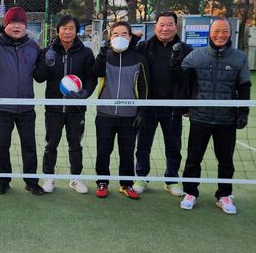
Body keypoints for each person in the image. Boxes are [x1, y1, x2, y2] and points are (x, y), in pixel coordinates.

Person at [177, 17, 250, 214]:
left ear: (231, 33)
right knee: (193, 159)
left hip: (226, 120)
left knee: (226, 160)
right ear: (209, 33)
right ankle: (190, 192)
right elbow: (179, 77)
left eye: (224, 31)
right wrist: (175, 61)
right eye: (216, 31)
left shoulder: (240, 58)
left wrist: (244, 112)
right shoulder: (196, 55)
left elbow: (244, 87)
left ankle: (224, 195)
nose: (220, 35)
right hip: (200, 118)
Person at [0, 6, 45, 195]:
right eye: (12, 22)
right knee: (2, 146)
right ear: (5, 25)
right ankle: (3, 181)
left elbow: (40, 74)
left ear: (25, 26)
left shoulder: (33, 46)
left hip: (26, 106)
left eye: (21, 23)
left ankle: (31, 182)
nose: (17, 26)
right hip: (2, 107)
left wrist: (48, 60)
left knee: (29, 146)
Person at [132, 11, 193, 196]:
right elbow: (124, 53)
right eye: (161, 25)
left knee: (173, 146)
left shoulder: (186, 49)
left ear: (176, 27)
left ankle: (172, 179)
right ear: (155, 26)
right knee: (143, 145)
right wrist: (133, 40)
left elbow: (192, 78)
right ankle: (141, 177)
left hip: (173, 108)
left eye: (170, 24)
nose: (165, 28)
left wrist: (189, 104)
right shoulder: (144, 46)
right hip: (147, 107)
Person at [33, 15, 96, 194]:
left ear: (76, 31)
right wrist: (47, 63)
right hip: (53, 109)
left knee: (75, 145)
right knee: (50, 144)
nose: (67, 32)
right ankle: (48, 177)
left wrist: (85, 93)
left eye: (71, 28)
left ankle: (75, 178)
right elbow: (38, 77)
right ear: (58, 30)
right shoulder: (47, 51)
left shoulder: (86, 53)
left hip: (76, 110)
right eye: (64, 28)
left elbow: (91, 78)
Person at [93, 21, 148, 200]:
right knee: (103, 151)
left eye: (124, 34)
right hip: (105, 114)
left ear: (130, 37)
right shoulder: (105, 56)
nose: (120, 37)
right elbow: (97, 72)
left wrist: (141, 112)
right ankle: (102, 182)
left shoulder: (139, 59)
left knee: (127, 152)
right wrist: (102, 53)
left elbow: (144, 87)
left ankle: (126, 184)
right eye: (116, 34)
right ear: (110, 37)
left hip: (129, 116)